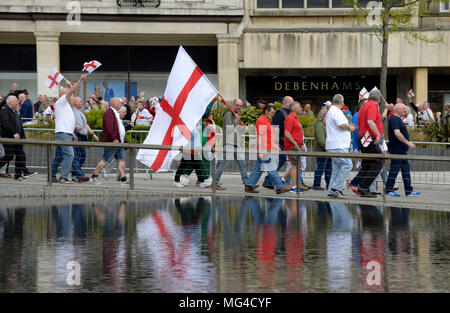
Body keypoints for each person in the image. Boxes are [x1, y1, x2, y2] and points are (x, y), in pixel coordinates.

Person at [244, 104, 287, 194]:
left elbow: (267, 136)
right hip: (264, 150)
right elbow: (260, 136)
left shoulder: (265, 120)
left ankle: (249, 185)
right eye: (271, 112)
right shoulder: (262, 121)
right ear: (266, 111)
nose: (273, 114)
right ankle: (279, 187)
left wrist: (274, 146)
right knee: (271, 169)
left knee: (258, 168)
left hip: (266, 148)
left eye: (273, 113)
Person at [51, 74, 86, 183]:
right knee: (70, 155)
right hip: (63, 133)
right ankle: (63, 177)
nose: (72, 98)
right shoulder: (61, 102)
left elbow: (67, 120)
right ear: (65, 95)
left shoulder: (65, 105)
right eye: (70, 96)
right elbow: (71, 91)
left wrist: (72, 132)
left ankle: (52, 175)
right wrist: (80, 80)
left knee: (59, 156)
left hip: (66, 133)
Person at [90, 98, 128, 185]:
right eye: (119, 103)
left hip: (118, 142)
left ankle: (123, 179)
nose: (120, 105)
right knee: (105, 160)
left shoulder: (115, 113)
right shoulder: (109, 113)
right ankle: (93, 176)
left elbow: (117, 127)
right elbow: (110, 127)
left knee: (121, 159)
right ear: (114, 104)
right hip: (112, 142)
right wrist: (114, 138)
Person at [385, 103, 421, 197]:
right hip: (396, 150)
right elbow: (397, 133)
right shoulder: (394, 119)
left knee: (406, 169)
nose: (405, 110)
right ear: (398, 110)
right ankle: (388, 190)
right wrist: (408, 143)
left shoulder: (397, 119)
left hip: (401, 150)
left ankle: (408, 191)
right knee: (394, 169)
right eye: (403, 109)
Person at [0, 95, 37, 180]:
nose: (17, 102)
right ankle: (22, 173)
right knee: (9, 156)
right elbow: (6, 124)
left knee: (21, 154)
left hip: (17, 138)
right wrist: (13, 133)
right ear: (10, 102)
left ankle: (19, 174)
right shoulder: (4, 111)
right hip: (8, 138)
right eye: (15, 101)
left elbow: (19, 124)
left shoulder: (14, 111)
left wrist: (22, 136)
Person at [214, 99, 249, 190]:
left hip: (235, 142)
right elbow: (229, 128)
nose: (239, 107)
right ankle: (215, 182)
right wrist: (237, 121)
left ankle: (247, 184)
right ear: (233, 105)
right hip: (229, 142)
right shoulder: (228, 114)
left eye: (240, 105)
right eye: (237, 105)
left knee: (242, 163)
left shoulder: (235, 115)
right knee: (224, 163)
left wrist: (242, 128)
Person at [326, 94, 356, 198]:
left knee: (337, 169)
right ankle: (336, 187)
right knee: (347, 164)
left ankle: (331, 190)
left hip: (334, 144)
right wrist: (350, 128)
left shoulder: (331, 110)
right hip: (338, 144)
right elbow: (341, 124)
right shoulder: (336, 111)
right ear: (341, 102)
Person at [356, 89, 384, 197]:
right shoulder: (372, 106)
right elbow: (370, 121)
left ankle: (363, 187)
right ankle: (364, 186)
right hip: (368, 137)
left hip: (363, 137)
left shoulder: (364, 106)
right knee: (379, 161)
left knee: (368, 163)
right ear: (379, 99)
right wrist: (377, 135)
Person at [262, 96, 293, 189]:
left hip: (282, 142)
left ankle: (269, 180)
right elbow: (276, 128)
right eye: (291, 103)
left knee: (278, 161)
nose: (292, 105)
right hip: (280, 142)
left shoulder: (285, 112)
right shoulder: (280, 113)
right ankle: (268, 181)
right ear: (286, 103)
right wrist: (276, 143)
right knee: (278, 161)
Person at [71, 97, 99, 183]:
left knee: (81, 155)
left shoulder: (80, 113)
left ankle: (75, 174)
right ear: (75, 103)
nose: (82, 103)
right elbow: (70, 123)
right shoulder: (72, 111)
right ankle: (77, 174)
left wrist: (93, 134)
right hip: (77, 136)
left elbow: (85, 125)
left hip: (82, 136)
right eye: (80, 101)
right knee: (80, 155)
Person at [283, 101, 304, 193]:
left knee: (298, 165)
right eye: (300, 107)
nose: (301, 109)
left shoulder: (295, 118)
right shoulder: (291, 118)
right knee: (295, 165)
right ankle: (294, 187)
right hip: (292, 146)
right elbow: (287, 132)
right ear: (295, 109)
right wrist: (295, 143)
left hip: (296, 145)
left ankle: (283, 178)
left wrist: (300, 144)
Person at [312, 108, 332, 191]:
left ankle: (329, 185)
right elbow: (321, 139)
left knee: (328, 168)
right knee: (321, 168)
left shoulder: (323, 124)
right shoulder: (319, 124)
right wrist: (327, 148)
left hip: (326, 150)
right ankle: (316, 185)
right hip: (322, 150)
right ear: (323, 116)